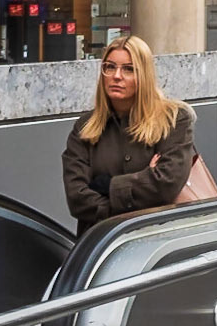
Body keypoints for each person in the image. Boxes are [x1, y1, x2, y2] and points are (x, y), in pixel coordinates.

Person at [61, 36, 195, 237]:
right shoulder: (85, 127)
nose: (116, 76)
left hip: (156, 243)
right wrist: (142, 184)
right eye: (110, 67)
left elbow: (167, 183)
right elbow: (77, 199)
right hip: (102, 246)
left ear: (144, 76)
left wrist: (106, 186)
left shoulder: (174, 120)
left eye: (128, 69)